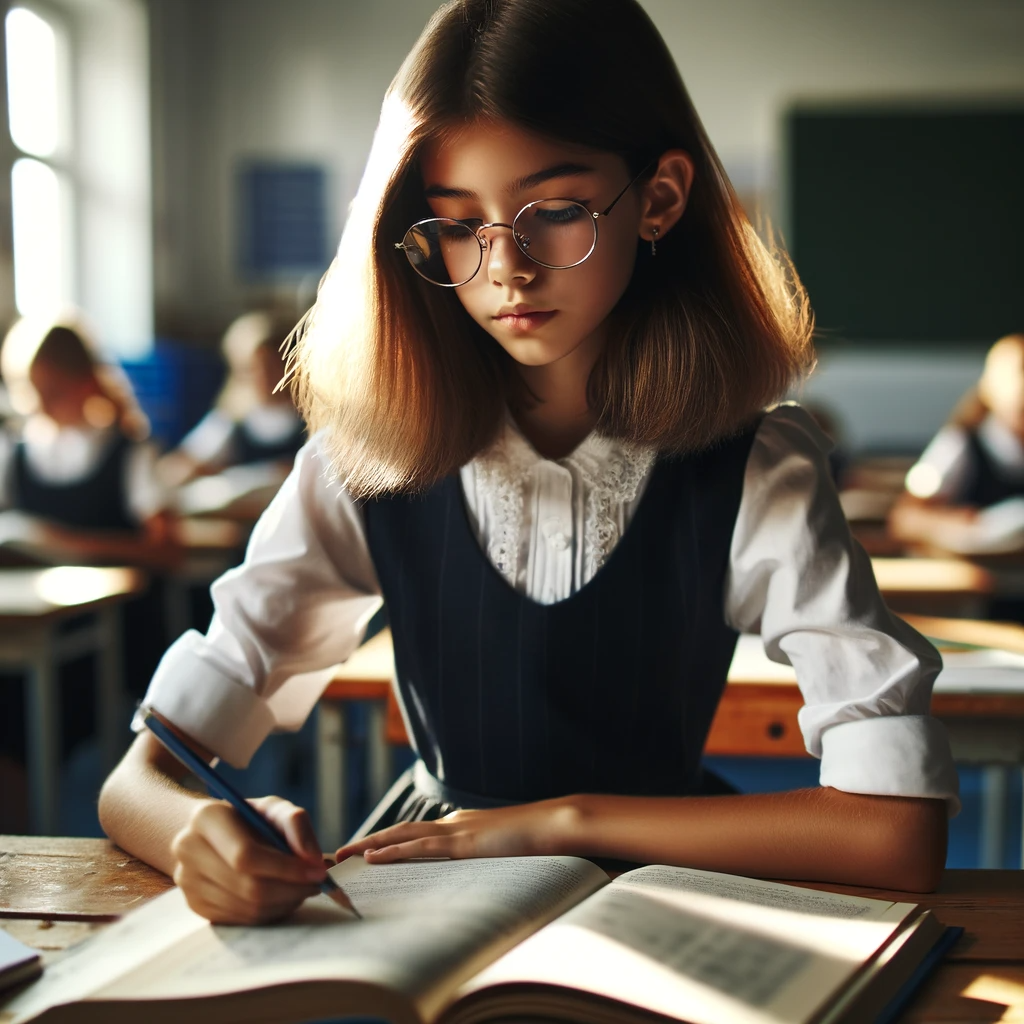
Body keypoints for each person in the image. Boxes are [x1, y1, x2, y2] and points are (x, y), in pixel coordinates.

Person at [100, 0, 957, 926]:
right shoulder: (364, 462)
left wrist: (561, 822)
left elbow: (897, 833)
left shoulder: (754, 466)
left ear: (661, 196)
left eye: (553, 211)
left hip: (665, 890)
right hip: (430, 898)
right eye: (460, 226)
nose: (505, 267)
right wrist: (200, 833)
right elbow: (137, 784)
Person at [0, 314, 175, 566]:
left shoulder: (128, 452)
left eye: (53, 392)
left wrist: (67, 545)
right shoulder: (14, 454)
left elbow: (167, 550)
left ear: (86, 383)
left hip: (115, 604)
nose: (43, 405)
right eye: (34, 392)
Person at [889, 333, 1024, 553]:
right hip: (985, 579)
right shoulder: (960, 445)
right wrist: (954, 524)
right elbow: (905, 518)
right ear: (990, 390)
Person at [158, 310, 305, 490]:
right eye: (255, 368)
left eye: (274, 364)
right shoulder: (232, 420)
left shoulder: (311, 418)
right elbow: (175, 469)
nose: (266, 376)